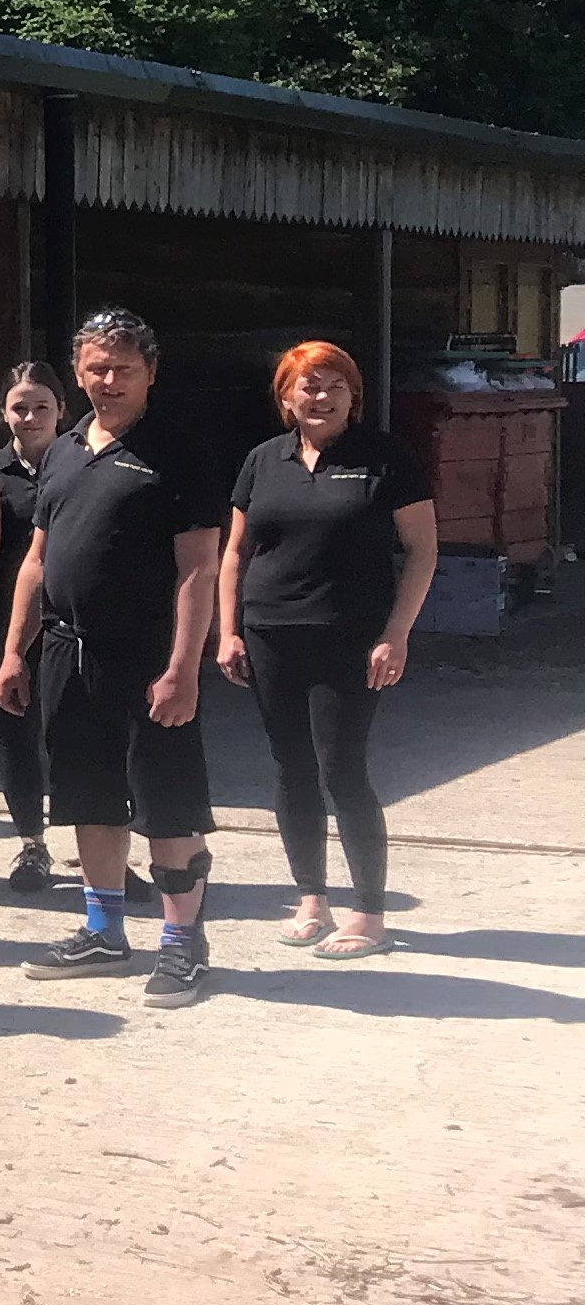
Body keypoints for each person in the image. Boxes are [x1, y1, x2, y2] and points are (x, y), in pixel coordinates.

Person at [0, 309, 219, 1007]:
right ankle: (104, 930)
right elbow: (36, 560)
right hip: (69, 648)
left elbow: (198, 570)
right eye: (96, 366)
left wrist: (183, 668)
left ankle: (184, 945)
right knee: (89, 793)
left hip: (149, 653)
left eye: (123, 367)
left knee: (167, 801)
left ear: (151, 371)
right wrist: (13, 651)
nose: (108, 379)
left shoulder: (179, 451)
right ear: (77, 372)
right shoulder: (64, 450)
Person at [218, 340, 436, 959]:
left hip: (351, 639)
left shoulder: (386, 458)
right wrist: (228, 629)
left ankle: (368, 911)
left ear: (353, 396)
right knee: (290, 767)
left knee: (343, 768)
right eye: (308, 385)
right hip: (269, 634)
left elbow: (422, 550)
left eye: (334, 385)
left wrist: (396, 633)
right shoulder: (264, 460)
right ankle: (311, 896)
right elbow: (235, 552)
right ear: (287, 397)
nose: (320, 396)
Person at [0, 365, 70, 889]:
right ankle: (31, 845)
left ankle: (98, 842)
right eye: (19, 408)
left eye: (41, 407)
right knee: (14, 731)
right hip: (3, 621)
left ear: (62, 411)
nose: (30, 417)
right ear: (3, 413)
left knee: (76, 733)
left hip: (73, 619)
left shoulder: (84, 461)